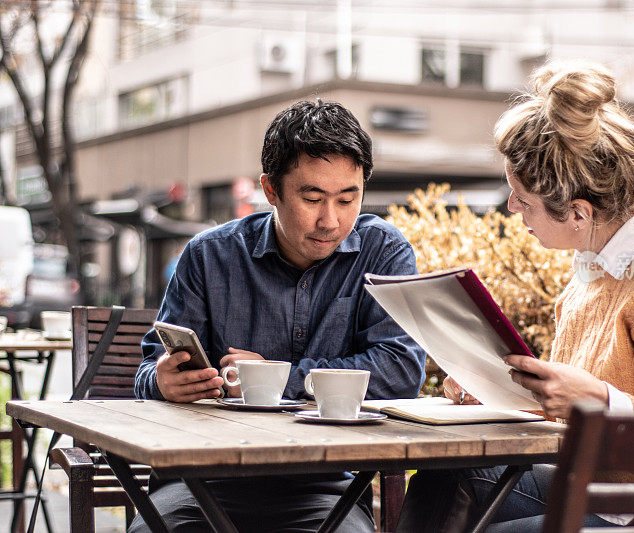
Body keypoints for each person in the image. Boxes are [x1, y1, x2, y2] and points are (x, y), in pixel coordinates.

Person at [395, 62, 634, 532]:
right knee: (448, 471)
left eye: (522, 199)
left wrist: (601, 402)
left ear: (579, 212)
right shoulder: (595, 267)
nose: (511, 208)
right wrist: (496, 391)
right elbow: (572, 411)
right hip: (615, 490)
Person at [131, 99, 427, 532]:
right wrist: (161, 381)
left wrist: (273, 378)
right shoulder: (209, 256)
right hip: (200, 479)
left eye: (349, 199)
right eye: (312, 198)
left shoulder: (382, 250)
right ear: (271, 190)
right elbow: (147, 372)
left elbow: (401, 371)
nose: (331, 220)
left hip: (326, 487)